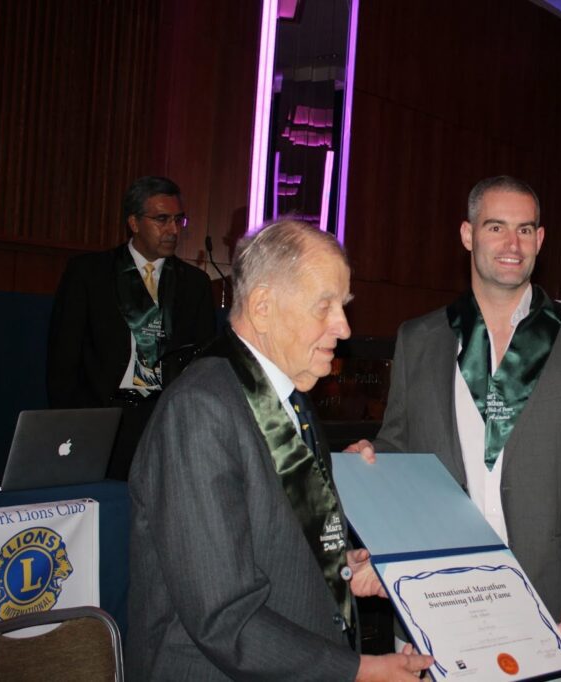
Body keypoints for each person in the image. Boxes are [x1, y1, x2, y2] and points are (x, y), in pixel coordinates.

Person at [350, 176, 561, 675]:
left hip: (548, 606)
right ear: (467, 234)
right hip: (435, 601)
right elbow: (397, 445)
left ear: (540, 240)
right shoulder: (419, 338)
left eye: (525, 230)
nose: (512, 245)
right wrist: (370, 466)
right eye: (496, 227)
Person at [127, 220, 433, 681]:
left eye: (343, 305)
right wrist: (361, 671)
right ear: (263, 307)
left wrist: (339, 564)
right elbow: (224, 617)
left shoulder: (289, 398)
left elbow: (268, 544)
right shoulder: (200, 409)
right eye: (324, 306)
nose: (344, 327)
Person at [46, 176, 215, 479]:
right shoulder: (89, 273)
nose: (173, 230)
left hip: (166, 422)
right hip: (102, 420)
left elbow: (204, 363)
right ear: (134, 223)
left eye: (178, 220)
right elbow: (63, 358)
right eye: (162, 219)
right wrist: (70, 423)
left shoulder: (195, 284)